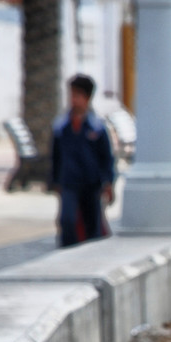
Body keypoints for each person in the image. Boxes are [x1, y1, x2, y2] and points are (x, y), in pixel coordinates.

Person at [51, 73, 114, 248]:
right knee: (67, 220)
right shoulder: (61, 126)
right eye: (71, 95)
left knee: (92, 222)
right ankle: (67, 250)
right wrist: (55, 180)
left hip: (92, 183)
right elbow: (56, 156)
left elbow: (106, 157)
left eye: (77, 95)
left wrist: (108, 182)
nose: (73, 100)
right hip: (69, 182)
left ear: (87, 98)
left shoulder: (97, 127)